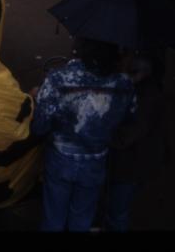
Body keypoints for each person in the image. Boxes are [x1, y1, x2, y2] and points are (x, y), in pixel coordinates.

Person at [30, 38, 136, 231]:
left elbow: (40, 126)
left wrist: (39, 99)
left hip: (60, 159)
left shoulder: (58, 78)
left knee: (53, 217)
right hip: (95, 162)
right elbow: (128, 119)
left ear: (79, 49)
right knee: (82, 219)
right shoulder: (124, 83)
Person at [103, 53, 168, 231]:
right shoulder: (150, 92)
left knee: (117, 213)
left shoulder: (146, 100)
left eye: (130, 72)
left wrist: (98, 131)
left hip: (132, 167)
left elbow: (125, 137)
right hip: (138, 163)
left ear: (143, 73)